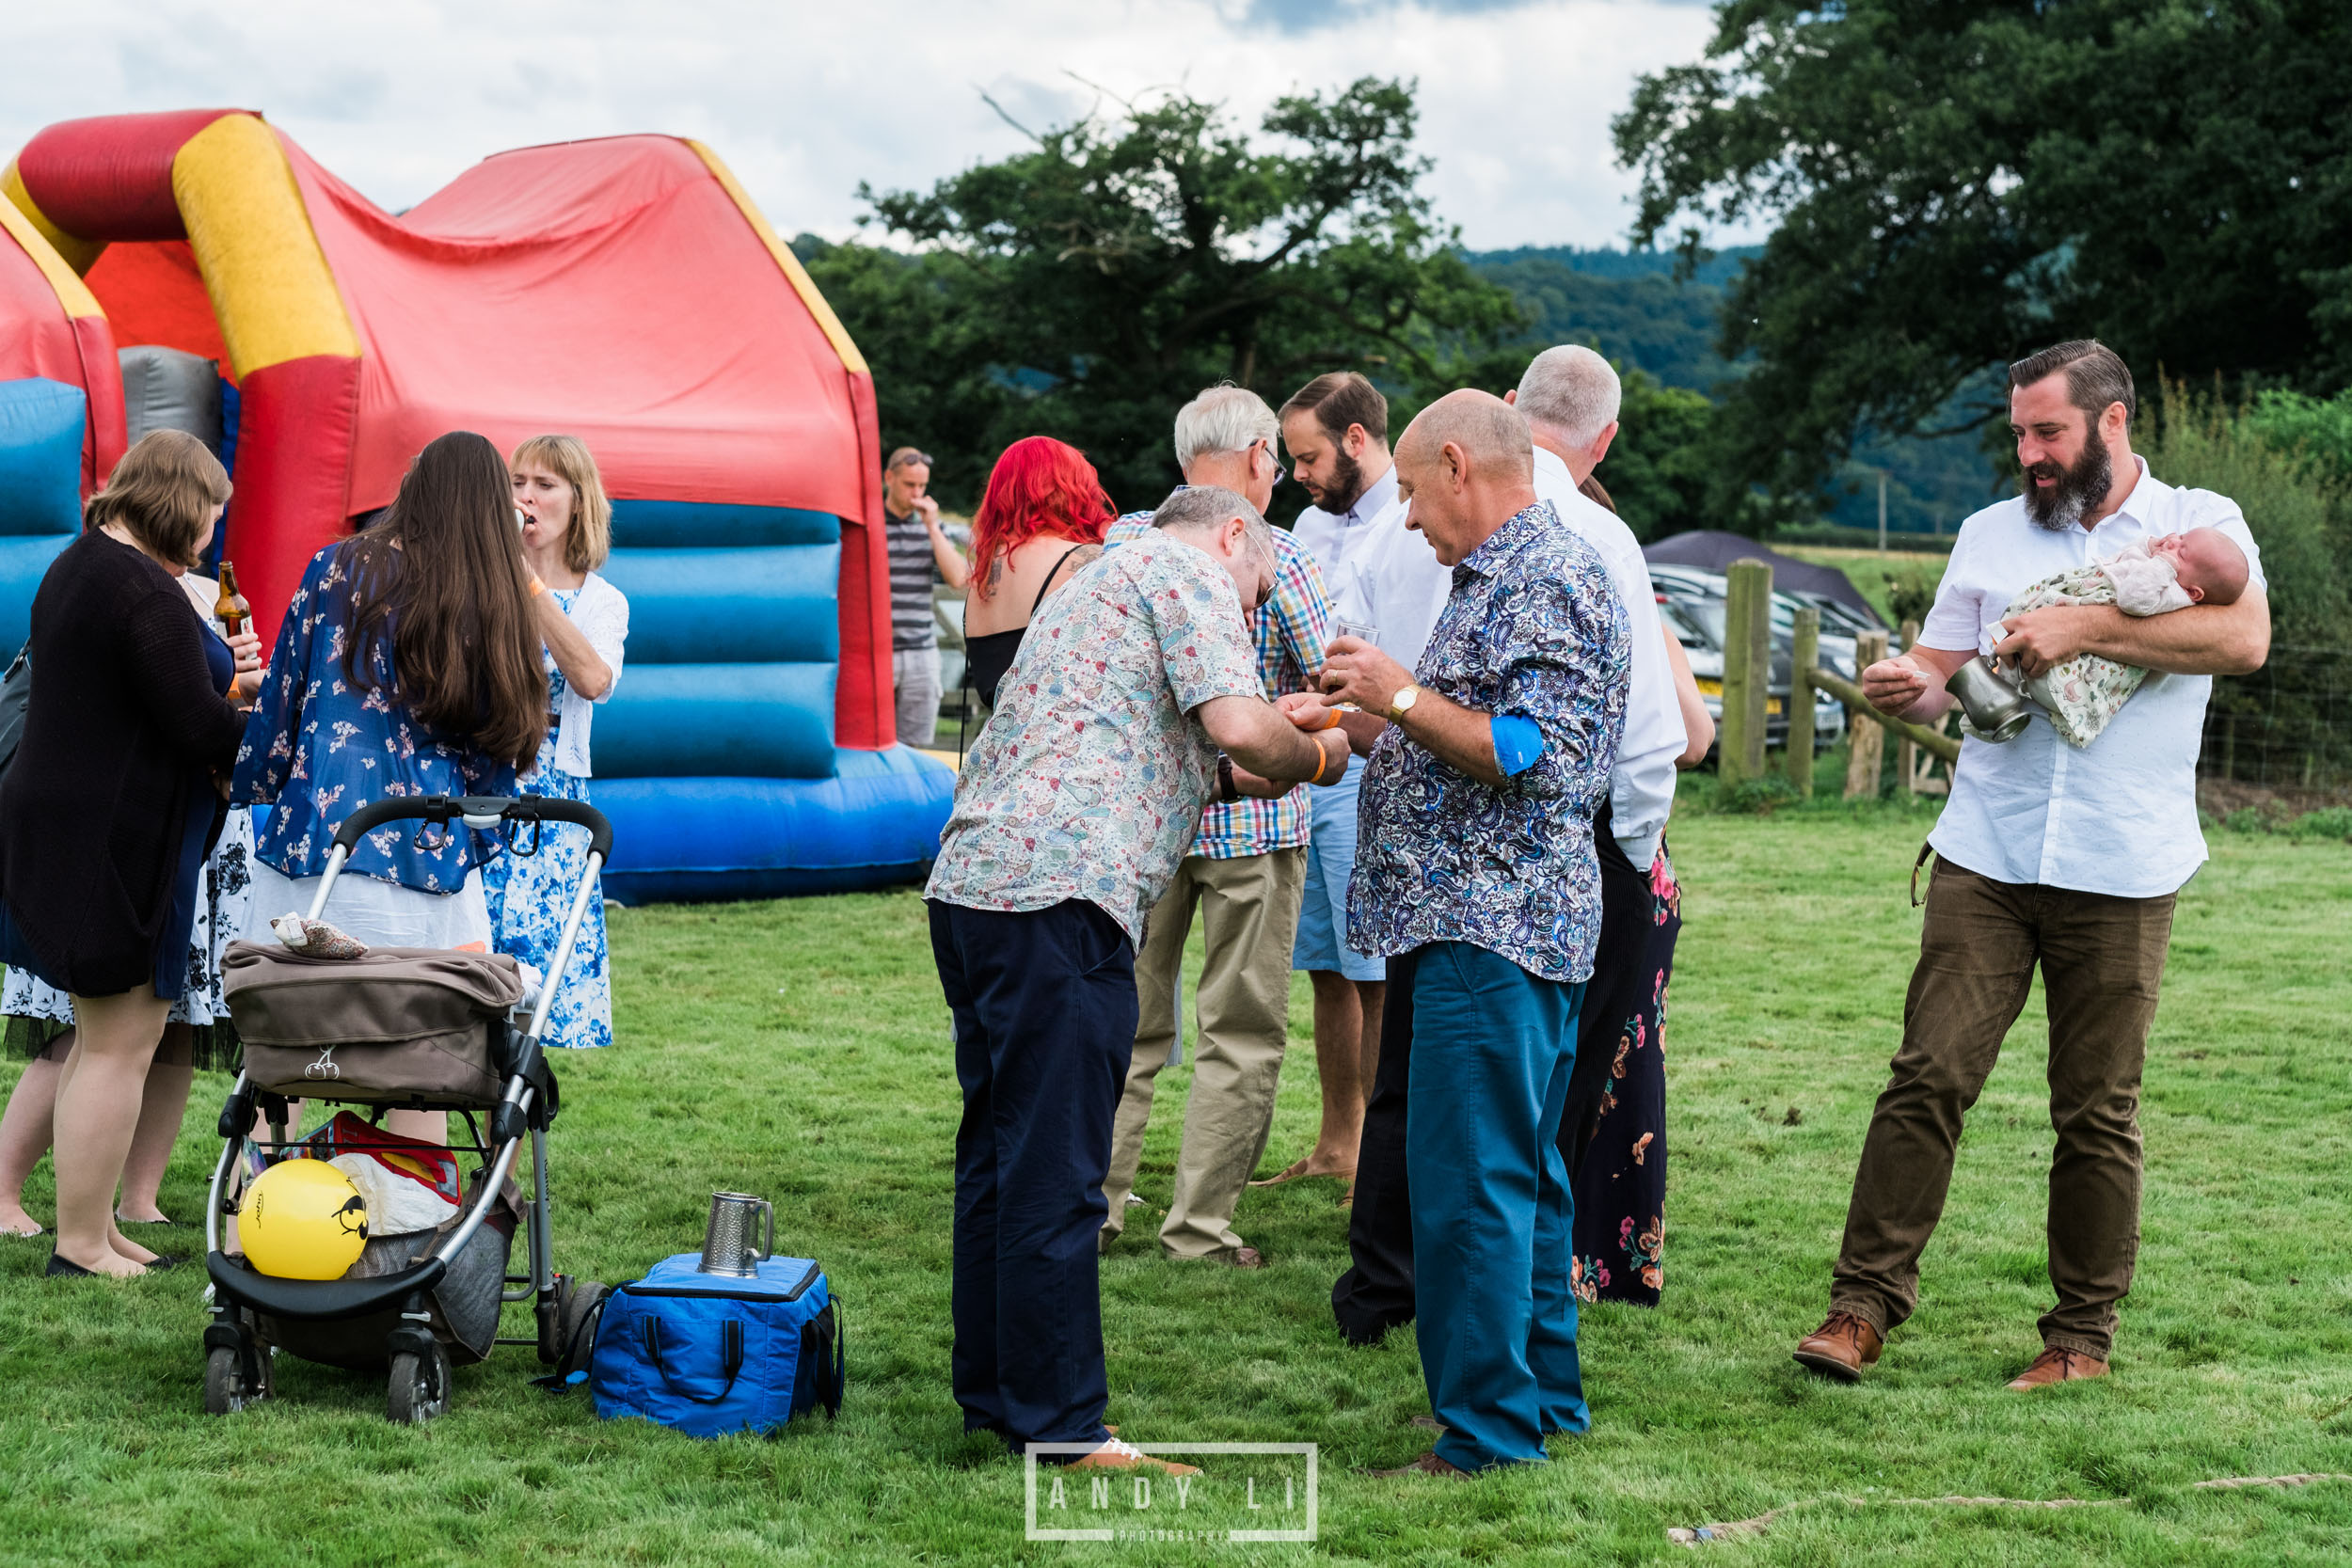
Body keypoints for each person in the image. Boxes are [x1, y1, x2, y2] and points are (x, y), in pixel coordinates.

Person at [1791, 340, 2270, 1390]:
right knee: (1926, 1075)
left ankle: (2078, 1340)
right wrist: (1903, 680)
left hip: (2123, 860)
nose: (2030, 453)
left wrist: (2083, 626)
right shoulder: (1987, 531)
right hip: (1987, 848)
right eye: (2018, 434)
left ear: (2110, 422)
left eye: (2047, 432)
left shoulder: (2202, 524)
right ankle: (1859, 1309)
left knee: (2096, 1107)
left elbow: (2242, 642)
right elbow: (1941, 666)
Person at [926, 484, 1351, 1475]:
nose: (1247, 612)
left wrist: (1269, 734)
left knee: (998, 1156)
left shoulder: (1092, 580)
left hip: (979, 885)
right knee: (1060, 1169)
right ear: (1235, 531)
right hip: (1061, 894)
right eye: (1255, 595)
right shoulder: (1187, 566)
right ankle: (1068, 1428)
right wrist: (1320, 751)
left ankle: (998, 1394)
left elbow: (1188, 762)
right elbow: (1244, 733)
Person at [1314, 389, 1630, 1476]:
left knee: (1468, 1189)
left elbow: (1531, 751)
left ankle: (1488, 1433)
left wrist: (1398, 697)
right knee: (1523, 1178)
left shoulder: (1542, 575)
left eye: (1409, 489)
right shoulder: (1502, 574)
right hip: (1492, 925)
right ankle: (1538, 1402)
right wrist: (1358, 718)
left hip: (1488, 925)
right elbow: (1461, 730)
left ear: (1457, 464)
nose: (1405, 516)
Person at [233, 431, 548, 1143]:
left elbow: (282, 701)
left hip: (315, 845)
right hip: (425, 851)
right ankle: (404, 1219)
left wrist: (255, 783)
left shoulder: (334, 567)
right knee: (423, 1052)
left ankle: (258, 1208)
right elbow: (500, 744)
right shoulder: (486, 595)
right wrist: (479, 824)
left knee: (285, 1047)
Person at [0, 430, 254, 1277]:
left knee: (104, 1038)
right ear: (180, 502)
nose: (211, 534)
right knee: (117, 1042)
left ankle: (95, 1227)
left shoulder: (79, 564)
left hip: (71, 825)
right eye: (210, 514)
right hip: (112, 840)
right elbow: (197, 723)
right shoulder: (143, 589)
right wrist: (266, 726)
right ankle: (79, 1242)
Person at [1096, 387, 1331, 1268]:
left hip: (1139, 829)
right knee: (1239, 1032)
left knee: (1122, 1023)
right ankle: (1198, 1230)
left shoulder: (1122, 543)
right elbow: (1329, 682)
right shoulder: (1284, 559)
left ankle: (1095, 1206)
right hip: (1254, 824)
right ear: (1263, 457)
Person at [1507, 345, 1690, 1308]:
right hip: (1588, 840)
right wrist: (1630, 852)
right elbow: (1656, 736)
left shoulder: (1426, 517)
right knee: (1577, 1063)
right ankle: (1555, 1264)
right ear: (1605, 439)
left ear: (1505, 406)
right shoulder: (1599, 533)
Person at [1256, 372, 1397, 1196]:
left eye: (1307, 456)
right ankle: (1337, 1140)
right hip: (1315, 767)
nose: (1297, 474)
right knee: (1328, 964)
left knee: (1374, 967)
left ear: (1354, 439)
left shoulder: (1409, 522)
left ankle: (1380, 1154)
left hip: (1377, 763)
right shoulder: (1308, 524)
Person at [483, 434, 630, 1051]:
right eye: (518, 482)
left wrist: (532, 588)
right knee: (469, 965)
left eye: (545, 484)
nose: (526, 496)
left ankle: (505, 1140)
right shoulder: (483, 586)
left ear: (578, 502)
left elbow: (595, 679)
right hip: (478, 792)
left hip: (552, 802)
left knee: (532, 985)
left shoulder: (602, 600)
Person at [1996, 527, 2249, 747]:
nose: (2173, 543)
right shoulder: (2166, 572)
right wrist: (2153, 545)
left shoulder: (2174, 595)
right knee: (2022, 629)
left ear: (2194, 592)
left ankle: (2004, 691)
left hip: (2066, 682)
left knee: (2033, 650)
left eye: (2182, 553)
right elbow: (2130, 555)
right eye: (2180, 537)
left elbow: (2131, 599)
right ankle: (2003, 675)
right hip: (2051, 650)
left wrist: (2163, 563)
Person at [957, 436, 1112, 717]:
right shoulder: (1086, 559)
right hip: (1068, 750)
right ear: (1073, 490)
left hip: (1000, 753)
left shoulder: (981, 575)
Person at [883, 447, 967, 747]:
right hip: (878, 653)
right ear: (889, 478)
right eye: (909, 485)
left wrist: (932, 525)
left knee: (915, 746)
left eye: (922, 486)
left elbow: (958, 579)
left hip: (921, 652)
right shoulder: (871, 527)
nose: (916, 493)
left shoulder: (934, 527)